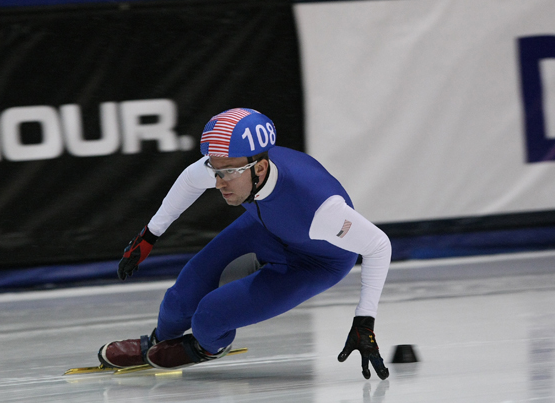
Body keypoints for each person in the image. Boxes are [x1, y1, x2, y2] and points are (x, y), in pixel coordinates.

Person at [98, 108, 391, 380]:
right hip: (266, 229)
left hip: (315, 263)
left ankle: (207, 347)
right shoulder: (237, 164)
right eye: (215, 171)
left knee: (209, 318)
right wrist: (149, 235)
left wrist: (364, 321)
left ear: (260, 169)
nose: (219, 182)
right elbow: (190, 179)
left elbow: (378, 245)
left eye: (227, 172)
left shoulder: (322, 209)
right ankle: (160, 340)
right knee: (178, 300)